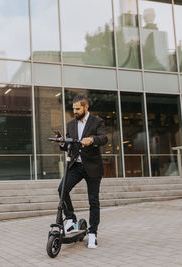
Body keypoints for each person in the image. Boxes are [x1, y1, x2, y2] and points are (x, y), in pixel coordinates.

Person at [57, 94, 108, 249]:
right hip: (76, 166)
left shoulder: (97, 121)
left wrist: (91, 139)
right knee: (62, 189)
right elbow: (68, 145)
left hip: (92, 166)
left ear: (86, 107)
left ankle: (92, 233)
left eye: (78, 108)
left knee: (93, 201)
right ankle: (71, 219)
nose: (75, 111)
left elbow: (103, 138)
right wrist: (61, 142)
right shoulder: (71, 124)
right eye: (73, 109)